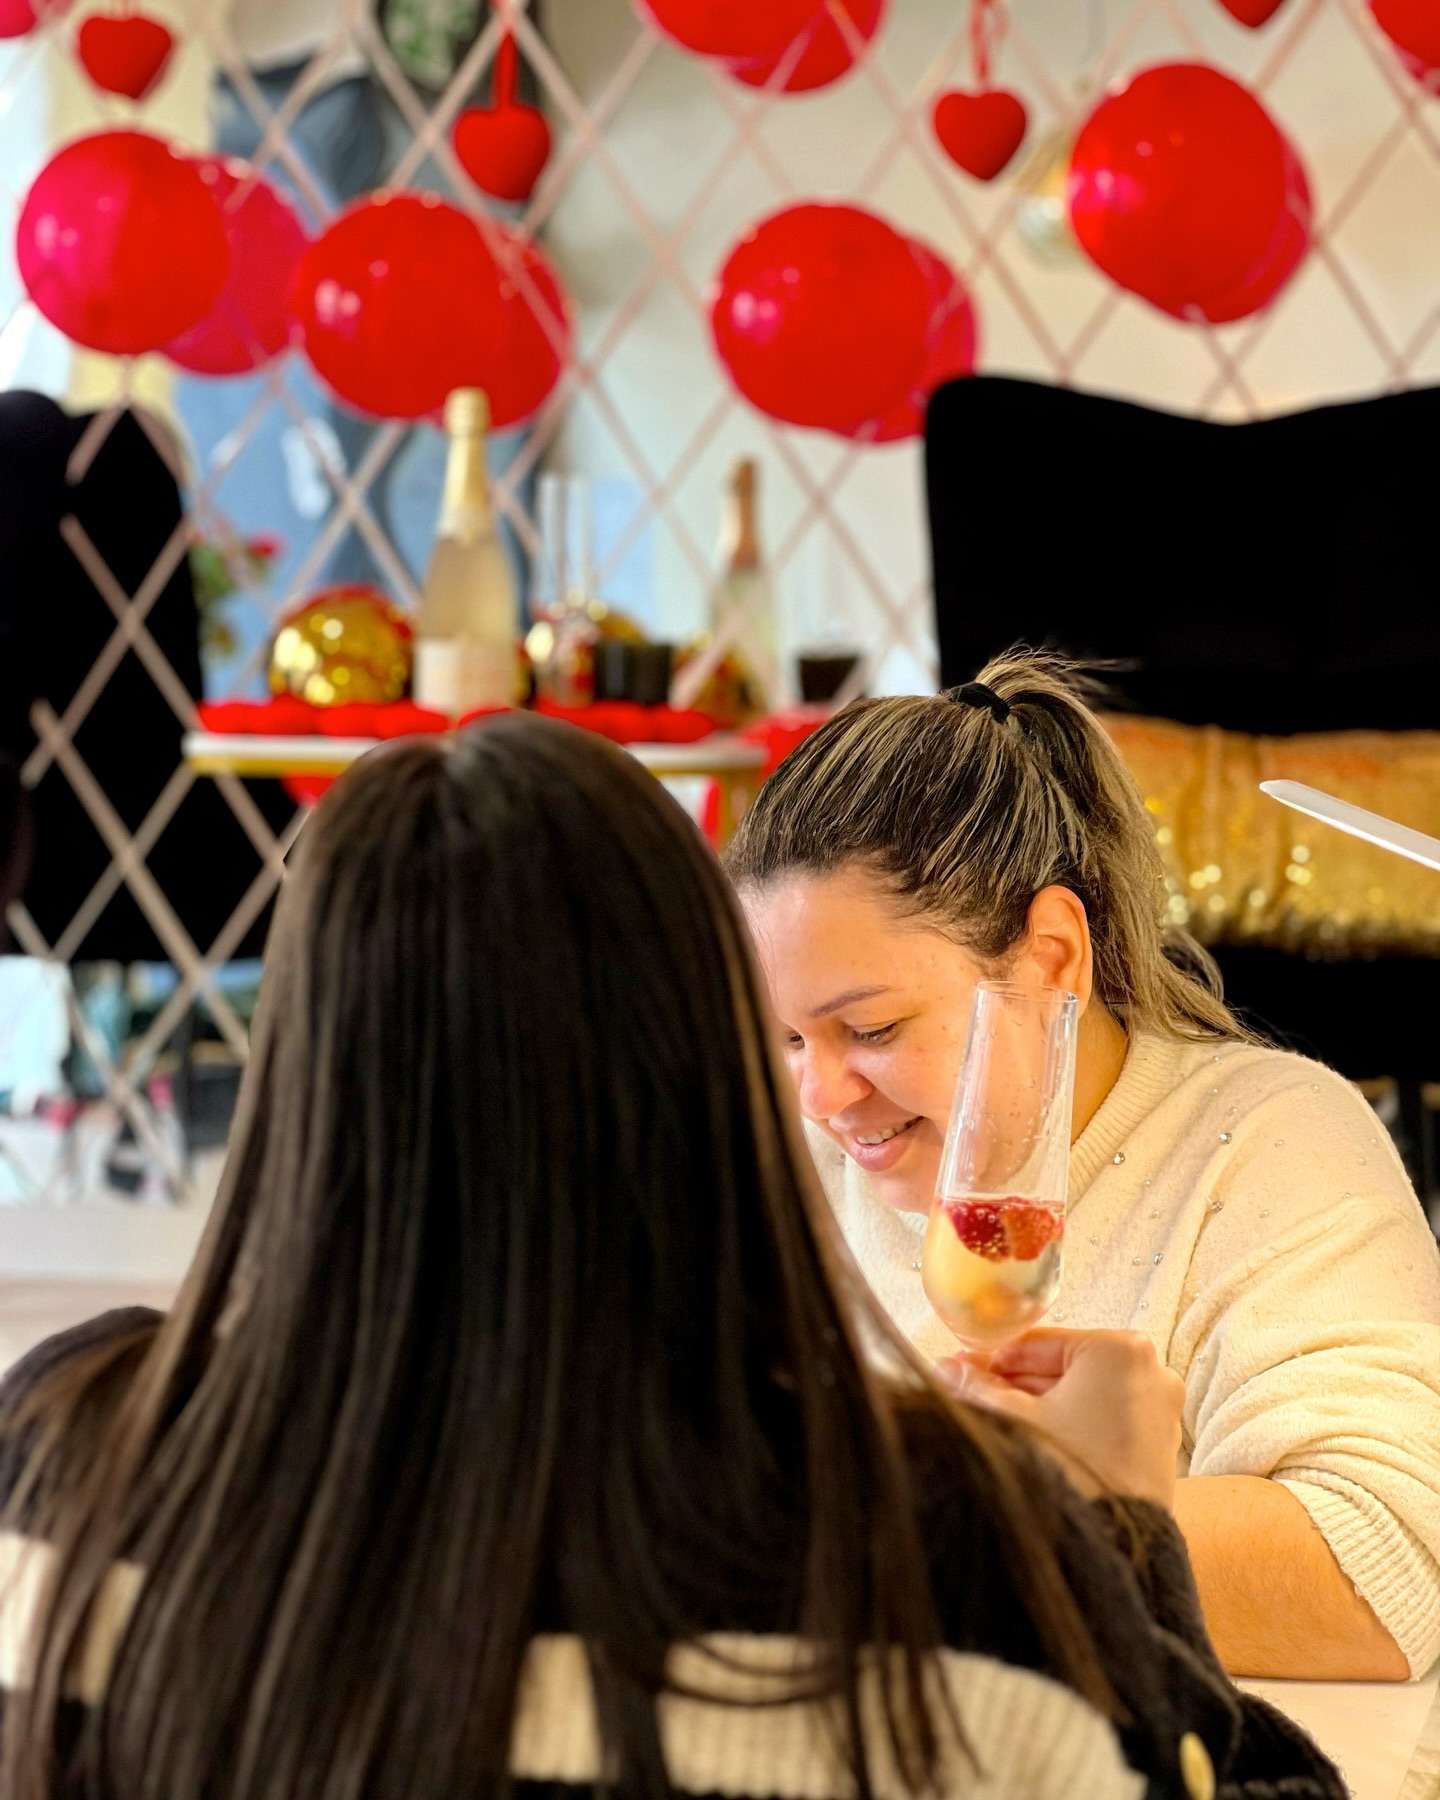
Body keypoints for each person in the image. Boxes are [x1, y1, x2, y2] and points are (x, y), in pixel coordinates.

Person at [0, 718, 1340, 1799]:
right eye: (793, 1045)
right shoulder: (927, 1542)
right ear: (706, 1067)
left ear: (293, 1064)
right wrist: (1119, 1531)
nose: (825, 1099)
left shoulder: (60, 1455)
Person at [727, 648, 1440, 1685]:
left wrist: (956, 1531)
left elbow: (1390, 1570)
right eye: (790, 1040)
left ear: (1052, 957)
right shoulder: (781, 1162)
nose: (820, 1099)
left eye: (870, 1029)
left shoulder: (1273, 1142)